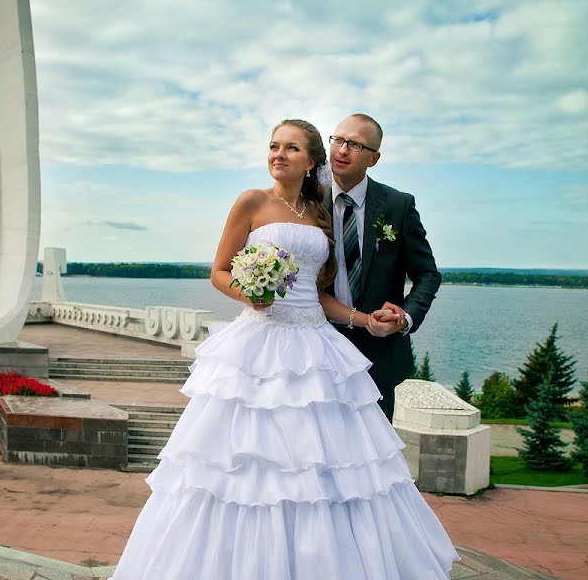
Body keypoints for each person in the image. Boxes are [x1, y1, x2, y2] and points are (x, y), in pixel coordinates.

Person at [110, 120, 457, 579]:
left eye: (291, 148)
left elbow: (319, 294)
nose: (278, 154)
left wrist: (366, 320)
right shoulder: (251, 202)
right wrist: (248, 292)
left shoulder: (318, 214)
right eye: (273, 146)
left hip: (315, 346)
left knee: (324, 465)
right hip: (257, 348)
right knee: (250, 465)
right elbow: (219, 271)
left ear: (311, 160)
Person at [323, 114, 442, 421]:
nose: (342, 150)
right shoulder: (308, 201)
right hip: (316, 349)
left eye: (354, 144)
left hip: (378, 357)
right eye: (337, 140)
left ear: (373, 158)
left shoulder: (397, 205)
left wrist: (404, 317)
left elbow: (427, 274)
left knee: (374, 459)